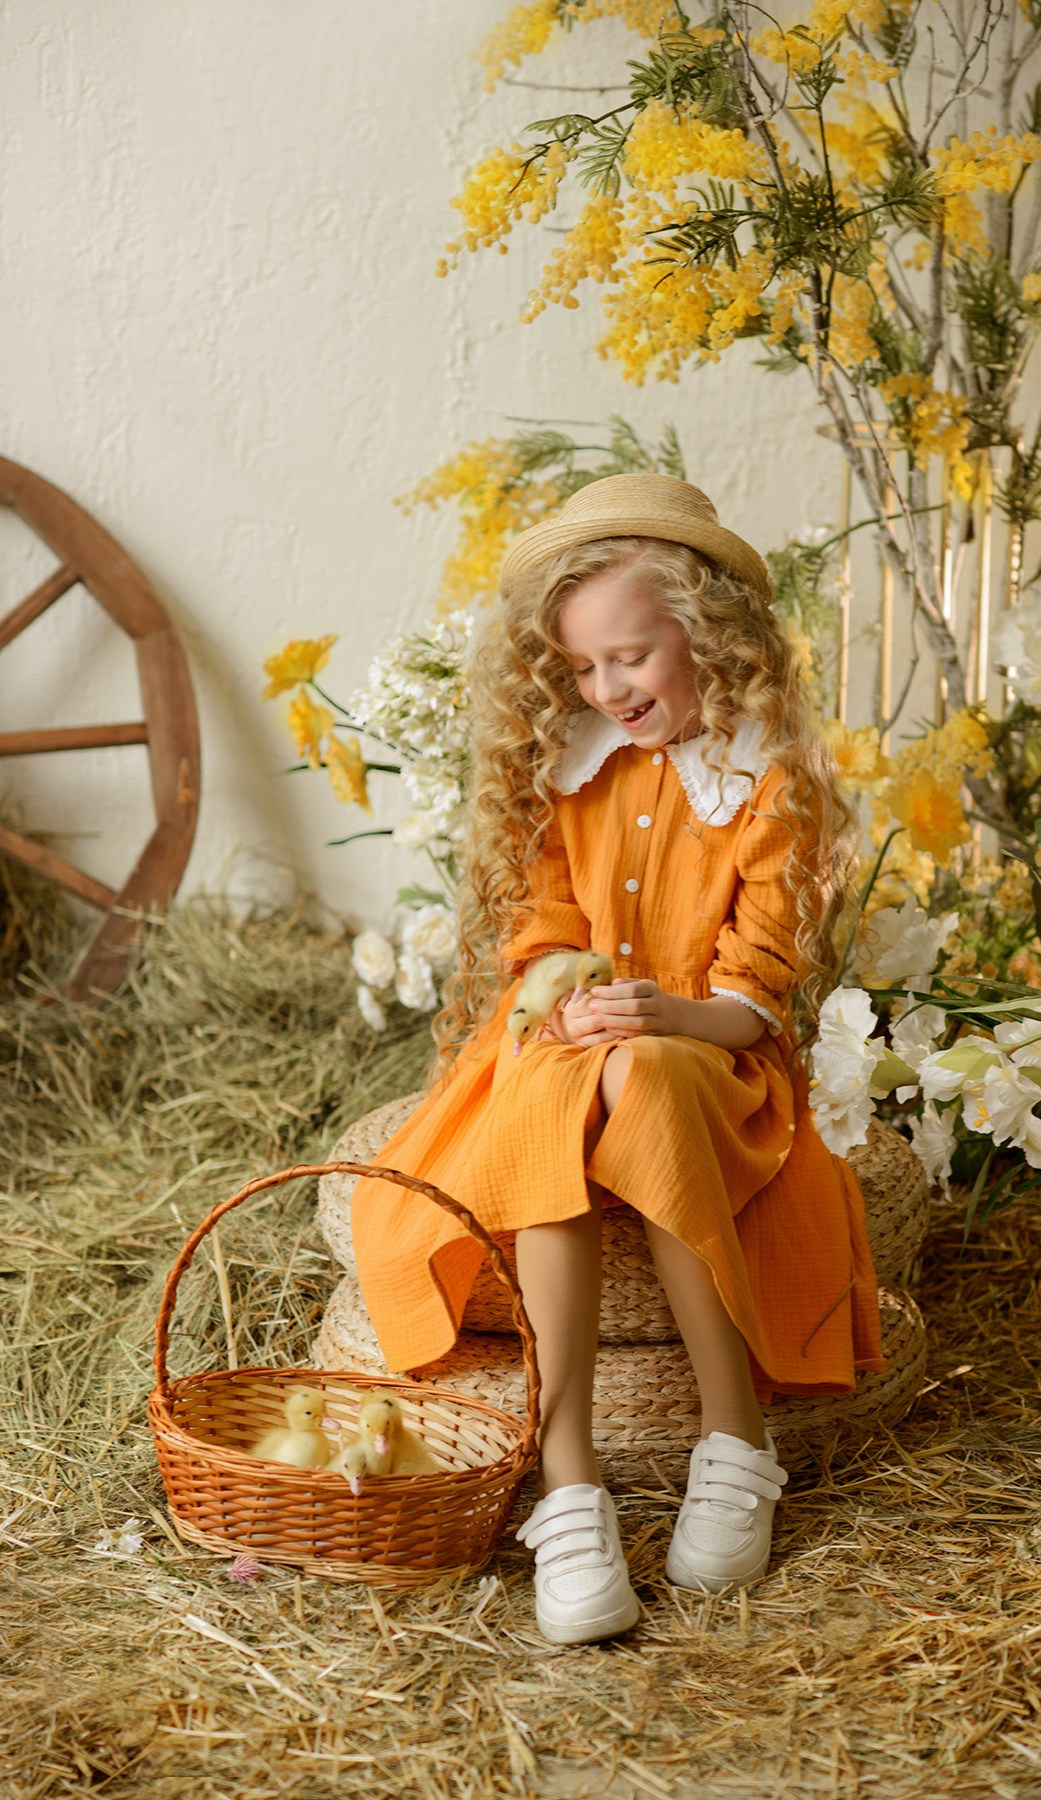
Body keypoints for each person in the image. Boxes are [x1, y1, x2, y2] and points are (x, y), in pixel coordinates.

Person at [352, 473, 884, 1645]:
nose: (607, 689)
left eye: (632, 658)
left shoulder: (767, 785)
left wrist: (665, 1016)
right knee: (563, 1085)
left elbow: (756, 992)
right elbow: (540, 935)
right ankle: (570, 1482)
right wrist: (570, 997)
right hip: (566, 1044)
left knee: (641, 1076)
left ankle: (733, 1437)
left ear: (709, 635)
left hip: (713, 1060)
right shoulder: (567, 774)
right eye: (585, 669)